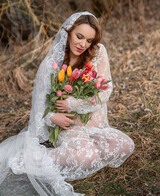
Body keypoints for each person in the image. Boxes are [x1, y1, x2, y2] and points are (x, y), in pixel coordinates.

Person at [0, 12, 134, 196]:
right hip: (69, 126)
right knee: (86, 157)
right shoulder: (50, 65)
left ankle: (87, 148)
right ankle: (33, 159)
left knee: (126, 145)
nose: (83, 44)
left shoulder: (98, 53)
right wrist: (54, 117)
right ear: (68, 32)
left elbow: (105, 90)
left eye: (88, 40)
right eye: (79, 36)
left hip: (95, 124)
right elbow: (39, 109)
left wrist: (73, 103)